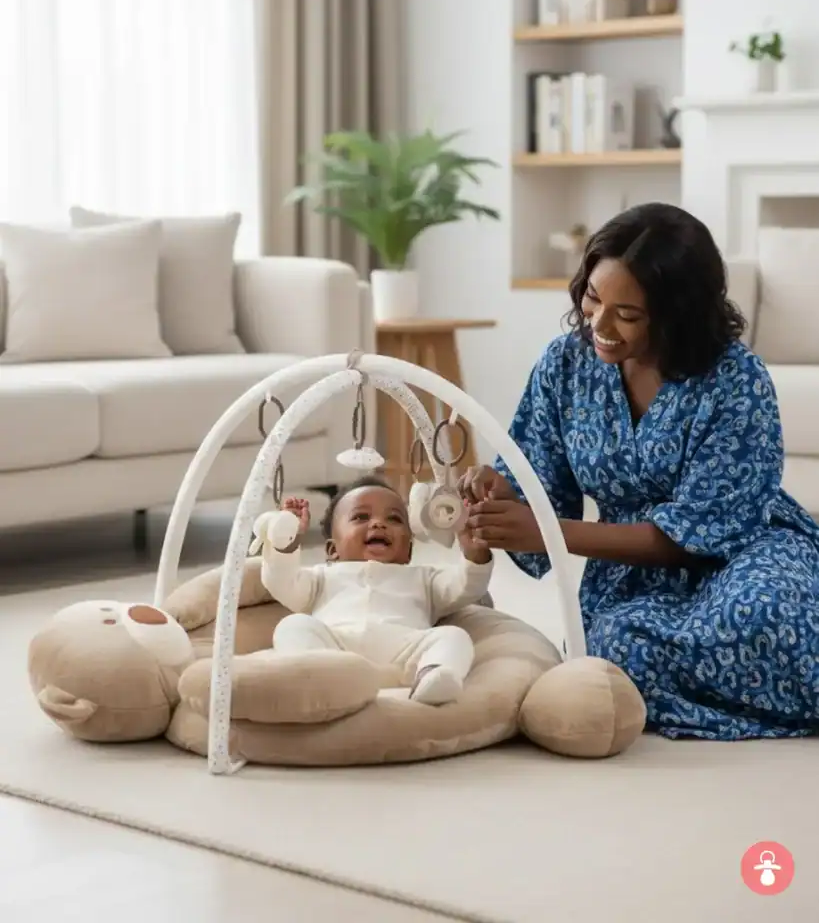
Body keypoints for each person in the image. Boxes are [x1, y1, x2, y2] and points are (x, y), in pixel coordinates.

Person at [459, 202, 819, 740]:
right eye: (593, 298)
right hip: (626, 578)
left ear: (677, 314)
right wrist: (498, 493)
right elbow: (537, 481)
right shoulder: (565, 363)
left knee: (765, 618)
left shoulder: (736, 379)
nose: (599, 325)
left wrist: (550, 532)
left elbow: (700, 534)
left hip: (745, 551)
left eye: (627, 314)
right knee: (612, 647)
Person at [251, 475, 493, 706]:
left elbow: (465, 587)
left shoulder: (424, 578)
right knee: (293, 626)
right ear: (332, 550)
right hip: (336, 651)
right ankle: (324, 680)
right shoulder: (321, 576)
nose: (378, 523)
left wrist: (474, 553)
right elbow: (281, 582)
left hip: (404, 653)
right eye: (361, 517)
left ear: (409, 551)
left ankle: (433, 677)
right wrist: (286, 541)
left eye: (395, 519)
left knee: (453, 636)